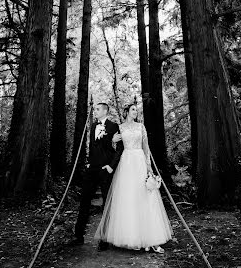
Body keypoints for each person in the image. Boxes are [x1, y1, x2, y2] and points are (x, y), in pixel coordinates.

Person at [94, 102, 173, 253]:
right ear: (126, 112)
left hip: (139, 160)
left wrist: (148, 165)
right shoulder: (120, 127)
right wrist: (112, 141)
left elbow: (146, 147)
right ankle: (130, 237)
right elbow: (115, 148)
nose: (136, 112)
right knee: (128, 197)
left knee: (144, 196)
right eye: (133, 109)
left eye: (136, 110)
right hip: (126, 163)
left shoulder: (141, 127)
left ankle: (150, 238)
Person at [70, 102, 122, 250]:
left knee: (106, 204)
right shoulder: (93, 126)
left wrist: (111, 167)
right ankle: (78, 236)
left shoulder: (114, 126)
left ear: (105, 111)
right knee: (84, 201)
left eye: (98, 109)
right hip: (91, 169)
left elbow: (119, 149)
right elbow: (92, 147)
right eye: (95, 109)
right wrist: (88, 162)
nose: (95, 111)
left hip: (105, 170)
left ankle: (104, 239)